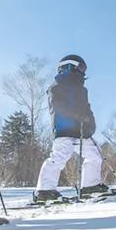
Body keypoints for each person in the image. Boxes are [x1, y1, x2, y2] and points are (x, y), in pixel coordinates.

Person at [34, 55, 107, 201]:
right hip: (65, 129)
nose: (83, 72)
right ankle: (44, 190)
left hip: (81, 131)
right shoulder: (56, 87)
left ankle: (90, 186)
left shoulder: (81, 90)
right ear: (69, 67)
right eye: (81, 68)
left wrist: (90, 123)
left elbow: (87, 109)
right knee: (59, 156)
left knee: (95, 154)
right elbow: (59, 106)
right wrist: (76, 115)